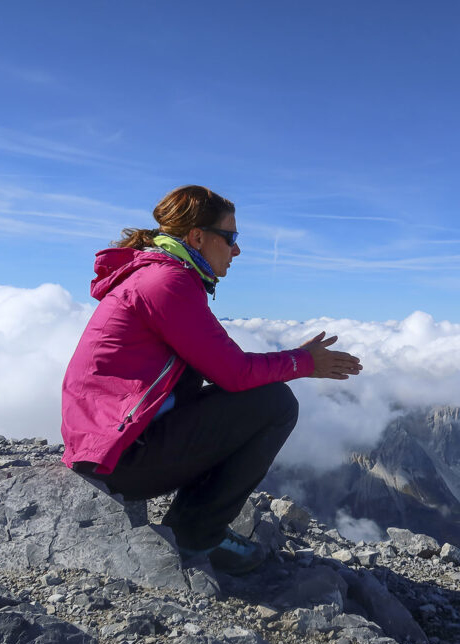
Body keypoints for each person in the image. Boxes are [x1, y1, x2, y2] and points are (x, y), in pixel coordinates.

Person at [60, 185, 361, 574]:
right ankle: (196, 535)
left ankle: (193, 528)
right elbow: (234, 373)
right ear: (197, 237)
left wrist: (293, 358)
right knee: (276, 404)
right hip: (118, 458)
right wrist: (303, 363)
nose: (237, 250)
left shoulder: (162, 277)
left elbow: (221, 366)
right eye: (231, 238)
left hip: (111, 445)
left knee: (258, 395)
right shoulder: (166, 284)